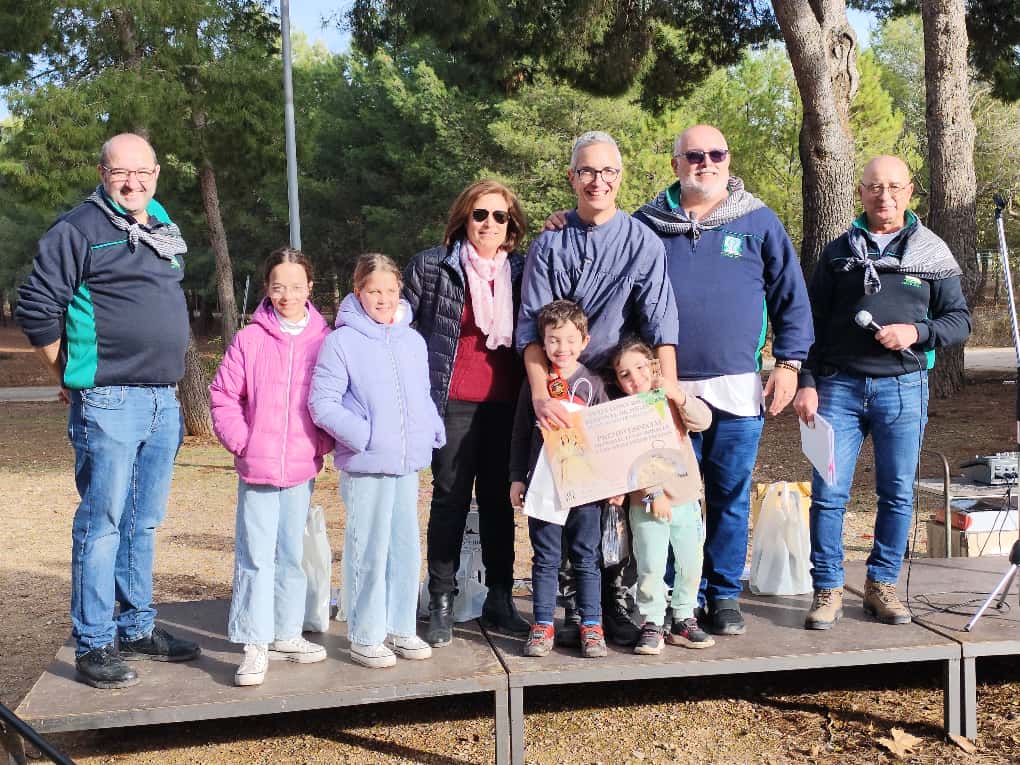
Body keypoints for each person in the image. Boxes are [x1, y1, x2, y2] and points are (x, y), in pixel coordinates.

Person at [15, 133, 200, 689]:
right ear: (102, 172)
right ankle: (94, 642)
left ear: (157, 174)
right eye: (122, 172)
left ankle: (136, 627)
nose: (133, 182)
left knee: (143, 522)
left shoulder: (161, 222)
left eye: (143, 173)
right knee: (102, 526)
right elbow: (37, 307)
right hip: (110, 401)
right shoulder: (78, 229)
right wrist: (67, 377)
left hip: (162, 401)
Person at [632, 125, 813, 636]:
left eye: (716, 154)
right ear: (676, 164)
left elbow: (791, 300)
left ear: (728, 160)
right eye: (693, 155)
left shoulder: (758, 221)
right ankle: (667, 600)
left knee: (729, 497)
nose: (705, 163)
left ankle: (723, 595)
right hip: (663, 390)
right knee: (665, 498)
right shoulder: (645, 223)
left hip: (736, 388)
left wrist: (789, 364)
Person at [794, 155, 971, 630]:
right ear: (860, 191)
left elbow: (959, 321)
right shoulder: (837, 254)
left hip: (903, 390)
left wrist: (915, 333)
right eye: (874, 187)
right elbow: (808, 324)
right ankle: (828, 588)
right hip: (837, 390)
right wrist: (806, 382)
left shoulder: (932, 253)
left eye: (894, 186)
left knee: (895, 495)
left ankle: (881, 585)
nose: (884, 196)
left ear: (910, 191)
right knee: (829, 494)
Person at [519, 130, 679, 646]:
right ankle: (561, 606)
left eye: (607, 171)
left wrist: (667, 396)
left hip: (613, 391)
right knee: (556, 506)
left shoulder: (642, 241)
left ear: (620, 176)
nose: (597, 181)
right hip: (557, 389)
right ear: (572, 178)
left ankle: (609, 603)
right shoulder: (550, 241)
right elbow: (531, 328)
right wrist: (543, 394)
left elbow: (660, 323)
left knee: (611, 507)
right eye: (586, 171)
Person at [403, 180, 529, 646]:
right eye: (480, 215)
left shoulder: (521, 268)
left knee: (500, 503)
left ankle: (499, 597)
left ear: (511, 225)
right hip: (451, 400)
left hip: (507, 404)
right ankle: (440, 597)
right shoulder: (433, 266)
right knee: (450, 499)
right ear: (464, 218)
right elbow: (405, 329)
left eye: (500, 217)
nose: (489, 225)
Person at [308, 253, 445, 668]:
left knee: (405, 548)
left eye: (390, 290)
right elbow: (323, 403)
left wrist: (431, 428)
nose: (383, 299)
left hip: (407, 464)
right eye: (374, 291)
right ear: (358, 292)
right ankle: (366, 634)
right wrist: (363, 437)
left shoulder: (412, 340)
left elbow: (421, 395)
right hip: (367, 465)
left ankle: (401, 626)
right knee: (368, 548)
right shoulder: (341, 342)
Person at [209, 248, 333, 686]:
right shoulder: (250, 339)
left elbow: (335, 396)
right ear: (267, 288)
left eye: (296, 286)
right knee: (255, 557)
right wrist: (242, 442)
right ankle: (254, 643)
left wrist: (321, 443)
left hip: (302, 466)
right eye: (278, 286)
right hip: (258, 468)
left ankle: (285, 632)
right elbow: (224, 396)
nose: (287, 295)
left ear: (310, 288)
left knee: (290, 555)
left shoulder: (325, 339)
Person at [509, 300, 611, 658]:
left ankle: (592, 626)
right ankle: (542, 625)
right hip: (543, 485)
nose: (561, 349)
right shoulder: (534, 385)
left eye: (570, 340)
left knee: (586, 556)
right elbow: (521, 433)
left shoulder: (594, 383)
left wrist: (611, 485)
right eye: (553, 340)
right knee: (546, 558)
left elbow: (607, 438)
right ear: (542, 341)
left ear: (585, 341)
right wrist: (516, 478)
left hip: (585, 486)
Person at [610, 338, 715, 654]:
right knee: (651, 565)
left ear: (653, 367)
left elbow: (703, 421)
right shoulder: (624, 414)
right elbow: (629, 460)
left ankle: (684, 617)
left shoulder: (670, 401)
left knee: (690, 562)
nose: (635, 378)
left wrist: (678, 394)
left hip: (686, 500)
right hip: (647, 505)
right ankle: (652, 621)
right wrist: (653, 493)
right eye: (625, 374)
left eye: (640, 368)